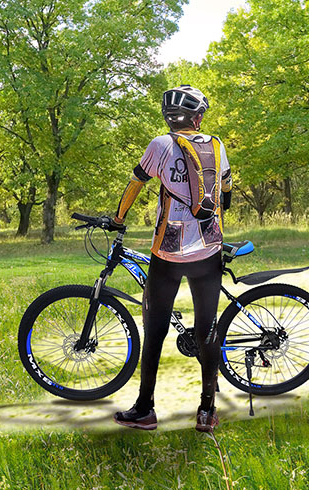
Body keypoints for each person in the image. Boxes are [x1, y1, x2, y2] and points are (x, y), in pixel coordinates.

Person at [110, 85, 232, 432]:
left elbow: (136, 183)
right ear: (197, 118)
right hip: (208, 248)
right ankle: (207, 411)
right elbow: (226, 190)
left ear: (168, 117)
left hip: (168, 250)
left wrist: (118, 218)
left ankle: (145, 410)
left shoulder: (160, 145)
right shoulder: (217, 145)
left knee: (155, 331)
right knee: (207, 330)